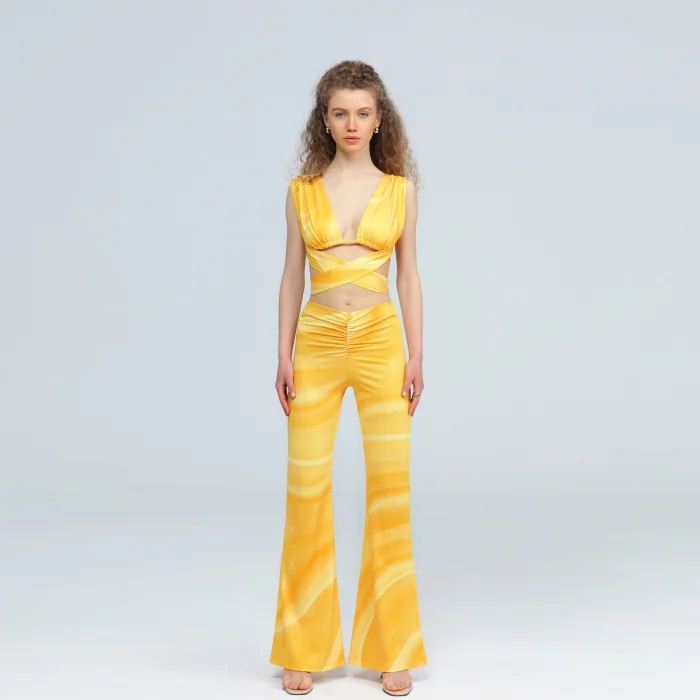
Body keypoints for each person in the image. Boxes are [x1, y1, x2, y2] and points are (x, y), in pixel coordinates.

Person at [270, 59, 427, 696]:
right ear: (325, 120)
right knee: (306, 488)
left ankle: (393, 648)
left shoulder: (401, 189)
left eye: (363, 112)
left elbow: (409, 275)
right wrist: (282, 353)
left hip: (381, 340)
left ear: (379, 118)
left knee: (389, 491)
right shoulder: (301, 190)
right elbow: (291, 275)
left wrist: (417, 354)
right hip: (316, 340)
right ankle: (302, 647)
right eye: (340, 113)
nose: (352, 123)